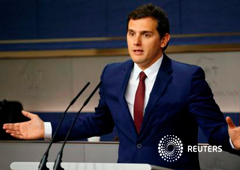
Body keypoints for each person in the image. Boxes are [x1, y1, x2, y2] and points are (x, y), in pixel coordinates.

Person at [3, 4, 240, 170]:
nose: (136, 42)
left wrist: (231, 140)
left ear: (164, 39)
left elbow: (214, 130)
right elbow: (99, 122)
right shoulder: (112, 74)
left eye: (145, 34)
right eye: (131, 33)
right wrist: (45, 129)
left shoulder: (188, 78)